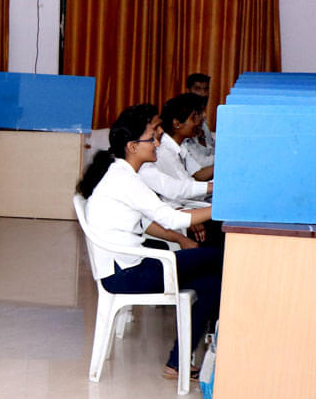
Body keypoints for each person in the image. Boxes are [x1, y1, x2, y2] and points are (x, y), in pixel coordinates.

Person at [77, 104, 222, 380]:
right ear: (132, 146)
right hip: (128, 274)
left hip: (127, 268)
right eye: (151, 138)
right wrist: (222, 208)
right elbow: (171, 217)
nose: (157, 143)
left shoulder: (121, 174)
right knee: (218, 257)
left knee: (212, 283)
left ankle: (177, 363)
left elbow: (145, 222)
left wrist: (180, 239)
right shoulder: (125, 179)